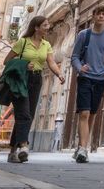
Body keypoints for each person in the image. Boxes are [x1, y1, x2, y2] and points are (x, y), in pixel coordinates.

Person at [5, 16, 64, 163]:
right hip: (21, 80)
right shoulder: (23, 42)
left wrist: (59, 74)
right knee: (23, 113)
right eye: (45, 25)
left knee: (27, 115)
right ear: (36, 27)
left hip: (37, 80)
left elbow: (51, 62)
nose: (48, 27)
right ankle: (24, 146)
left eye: (48, 24)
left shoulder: (46, 45)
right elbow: (7, 61)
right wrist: (24, 64)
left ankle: (12, 151)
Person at [70, 6, 104, 164]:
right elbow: (75, 56)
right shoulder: (84, 35)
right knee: (84, 113)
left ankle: (80, 146)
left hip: (100, 79)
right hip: (85, 77)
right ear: (94, 16)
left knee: (91, 115)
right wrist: (79, 67)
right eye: (99, 14)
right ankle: (84, 148)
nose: (102, 16)